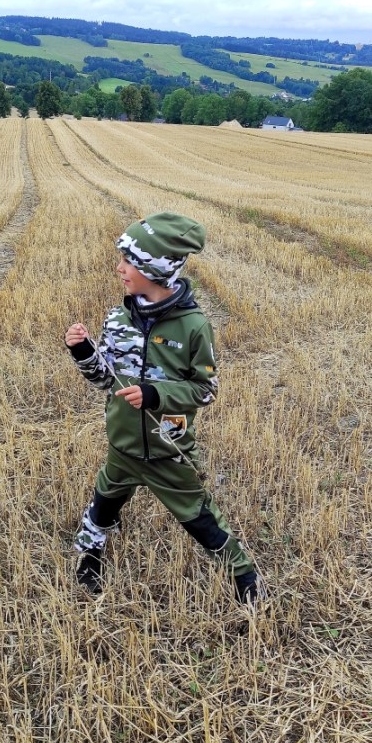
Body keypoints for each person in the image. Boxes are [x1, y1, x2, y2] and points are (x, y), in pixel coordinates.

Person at [64, 212, 267, 607]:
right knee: (104, 503)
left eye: (129, 261)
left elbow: (204, 390)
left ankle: (242, 573)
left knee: (198, 518)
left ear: (156, 269)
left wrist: (155, 394)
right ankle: (89, 554)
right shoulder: (118, 319)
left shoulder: (193, 327)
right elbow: (106, 381)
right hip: (122, 447)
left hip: (167, 452)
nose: (119, 268)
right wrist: (84, 353)